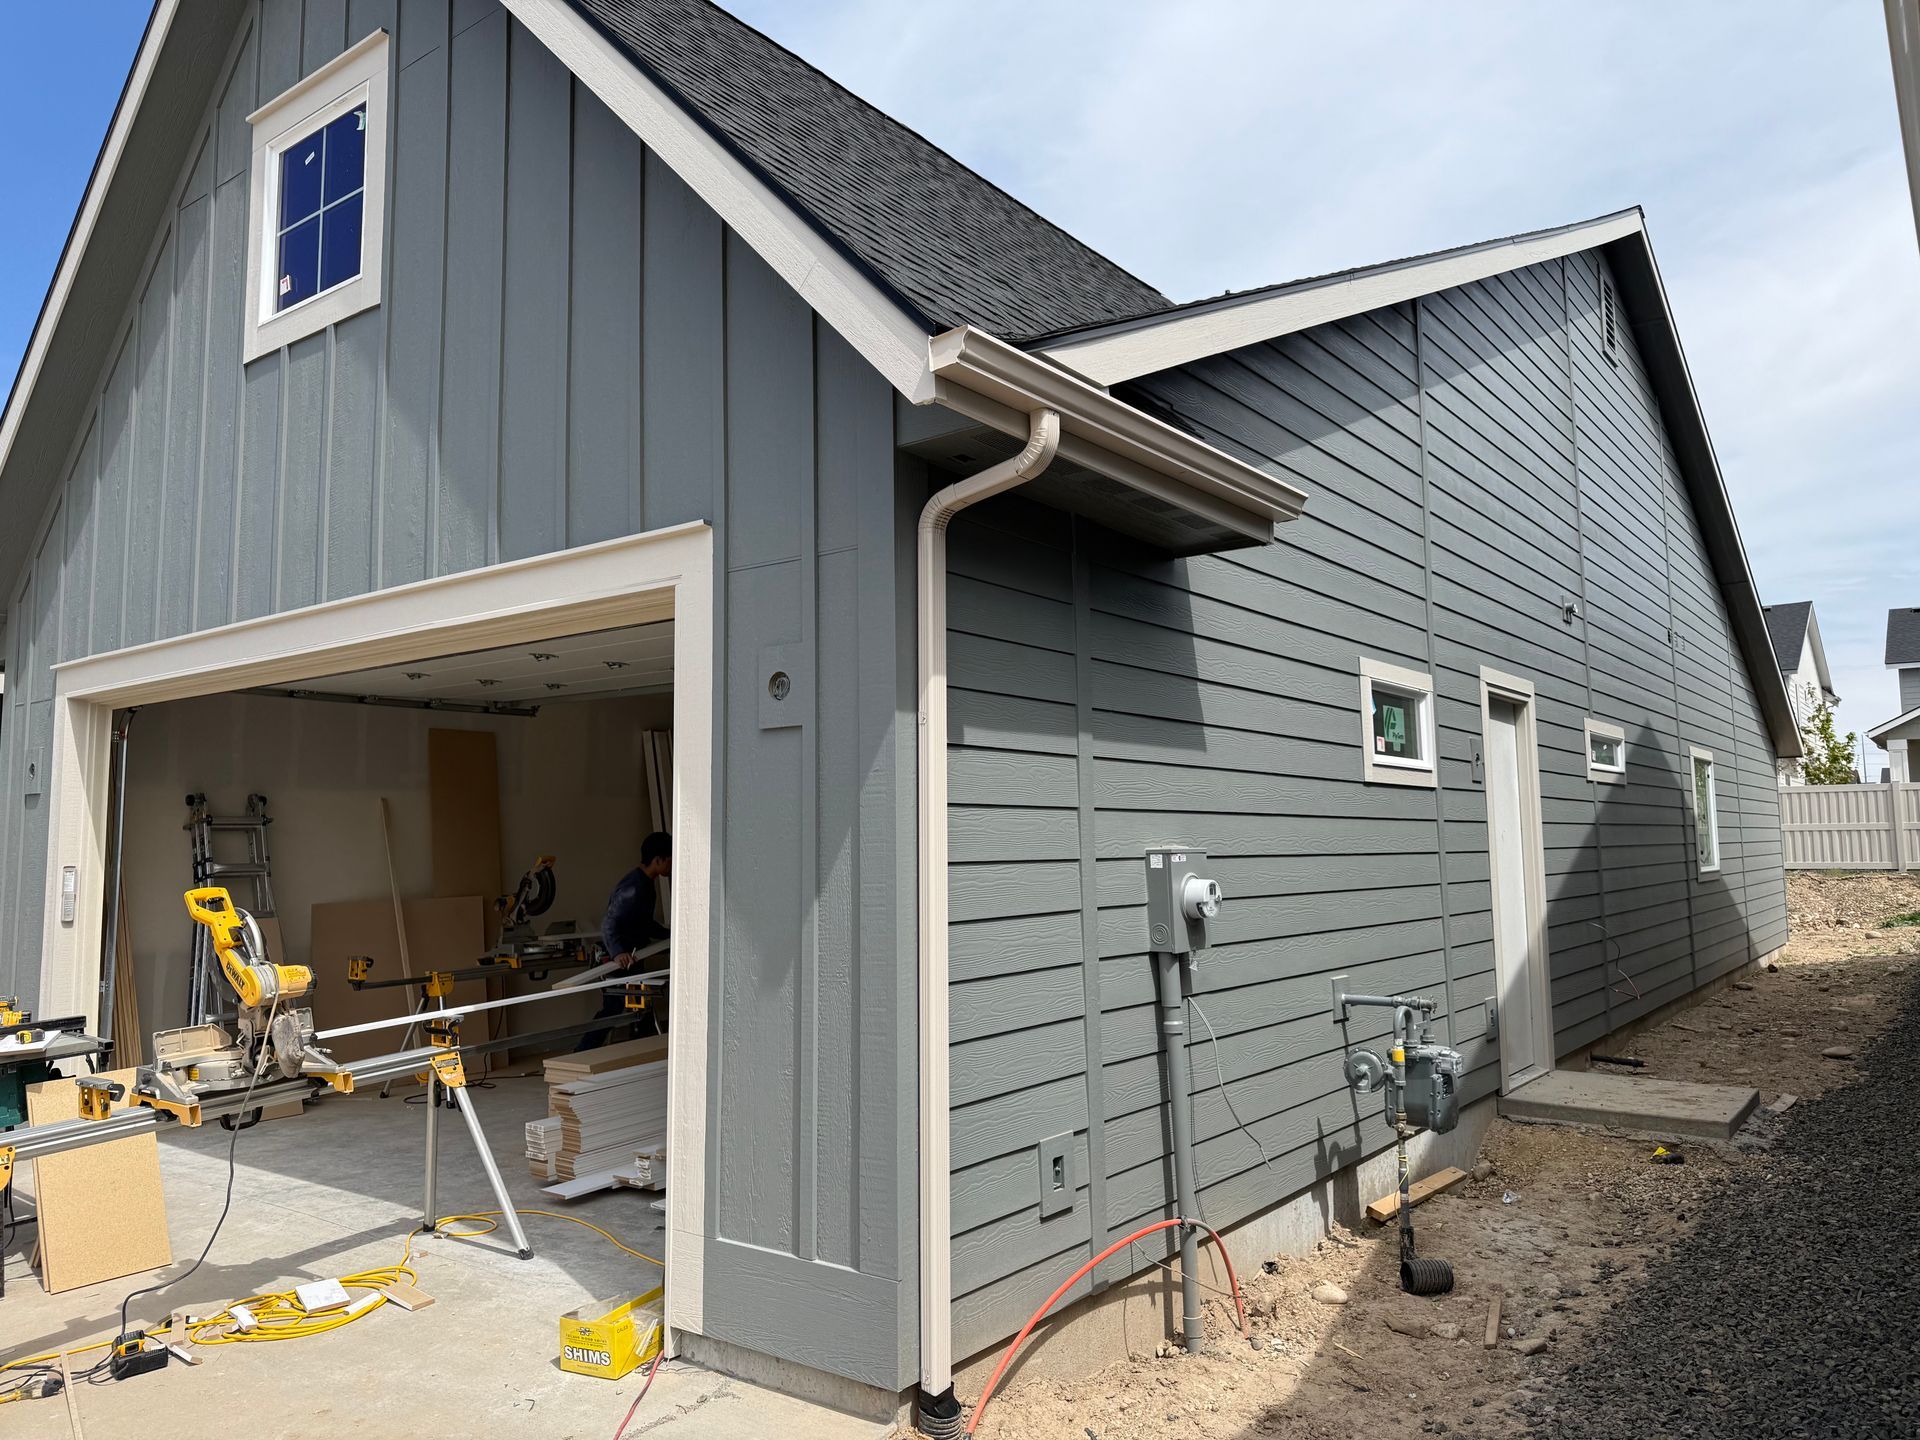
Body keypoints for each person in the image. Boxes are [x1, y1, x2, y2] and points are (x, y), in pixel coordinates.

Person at [575, 832, 672, 1051]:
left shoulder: (646, 884)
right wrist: (618, 952)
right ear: (657, 860)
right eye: (669, 860)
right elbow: (609, 923)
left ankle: (640, 1050)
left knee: (639, 1005)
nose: (671, 865)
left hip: (633, 956)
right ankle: (582, 1052)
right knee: (613, 1008)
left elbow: (645, 924)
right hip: (619, 958)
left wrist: (670, 935)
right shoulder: (634, 887)